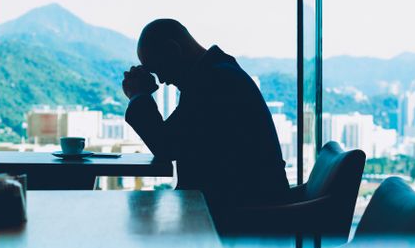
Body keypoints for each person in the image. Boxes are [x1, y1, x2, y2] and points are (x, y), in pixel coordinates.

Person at [122, 18, 291, 219]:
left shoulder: (213, 82)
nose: (162, 81)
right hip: (240, 204)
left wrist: (139, 97)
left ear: (173, 51)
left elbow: (166, 146)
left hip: (237, 215)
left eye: (158, 69)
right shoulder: (219, 73)